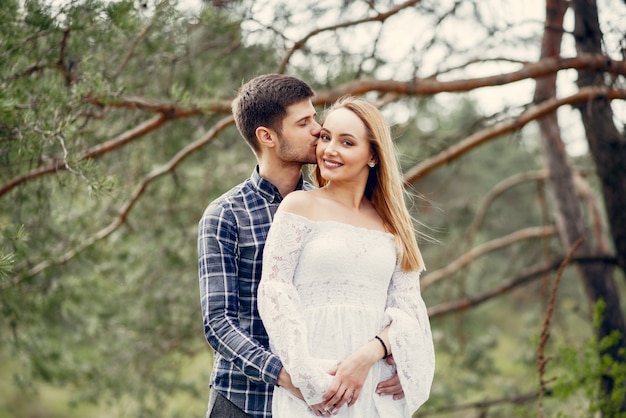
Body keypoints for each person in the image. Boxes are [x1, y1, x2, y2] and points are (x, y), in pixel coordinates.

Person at [197, 76, 406, 418]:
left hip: (322, 401)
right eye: (304, 122)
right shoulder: (226, 215)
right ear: (267, 136)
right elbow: (219, 323)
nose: (317, 130)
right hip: (243, 400)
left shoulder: (329, 209)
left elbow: (365, 296)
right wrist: (288, 376)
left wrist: (393, 352)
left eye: (315, 118)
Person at [258, 96, 436, 417]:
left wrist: (371, 354)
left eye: (347, 142)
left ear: (372, 155)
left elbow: (408, 308)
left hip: (373, 381)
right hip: (317, 380)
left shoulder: (392, 224)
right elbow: (275, 292)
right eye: (326, 137)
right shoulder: (299, 206)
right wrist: (306, 375)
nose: (329, 150)